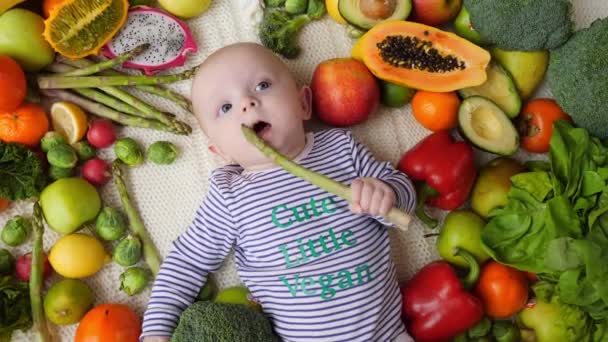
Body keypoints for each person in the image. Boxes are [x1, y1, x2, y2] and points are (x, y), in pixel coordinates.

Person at [141, 42, 416, 342]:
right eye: (226, 107)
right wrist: (156, 330)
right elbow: (187, 261)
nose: (247, 102)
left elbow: (403, 195)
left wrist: (387, 192)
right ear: (219, 150)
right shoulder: (230, 194)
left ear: (303, 104)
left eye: (262, 85)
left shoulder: (340, 148)